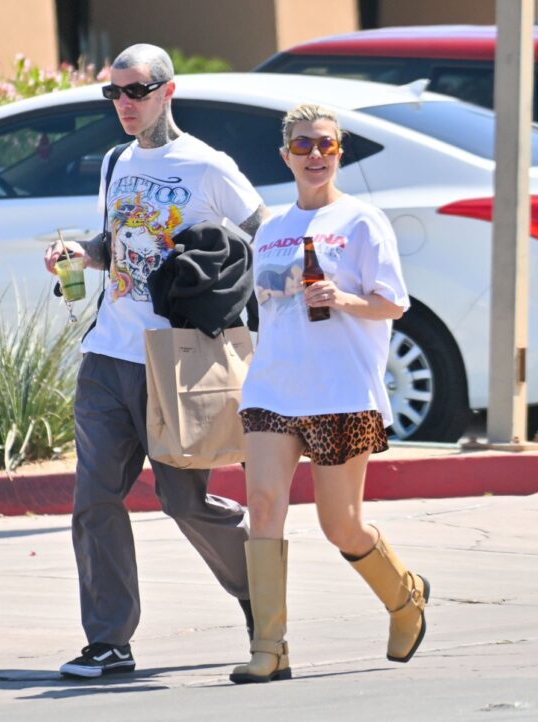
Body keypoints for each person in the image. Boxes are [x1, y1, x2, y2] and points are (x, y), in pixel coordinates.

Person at [44, 43, 267, 679]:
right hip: (107, 354)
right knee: (95, 502)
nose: (123, 104)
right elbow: (112, 242)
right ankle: (110, 641)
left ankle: (260, 594)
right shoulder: (115, 160)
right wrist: (80, 254)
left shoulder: (206, 165)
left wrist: (221, 283)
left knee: (184, 499)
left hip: (172, 358)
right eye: (113, 93)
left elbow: (264, 233)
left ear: (169, 91)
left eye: (135, 91)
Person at [229, 103, 429, 684]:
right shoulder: (271, 229)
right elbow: (269, 311)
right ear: (285, 155)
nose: (315, 155)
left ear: (339, 152)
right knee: (263, 507)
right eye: (303, 146)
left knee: (340, 524)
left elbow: (393, 302)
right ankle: (270, 647)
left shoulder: (363, 221)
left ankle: (404, 596)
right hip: (273, 388)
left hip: (341, 390)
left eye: (326, 145)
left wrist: (343, 299)